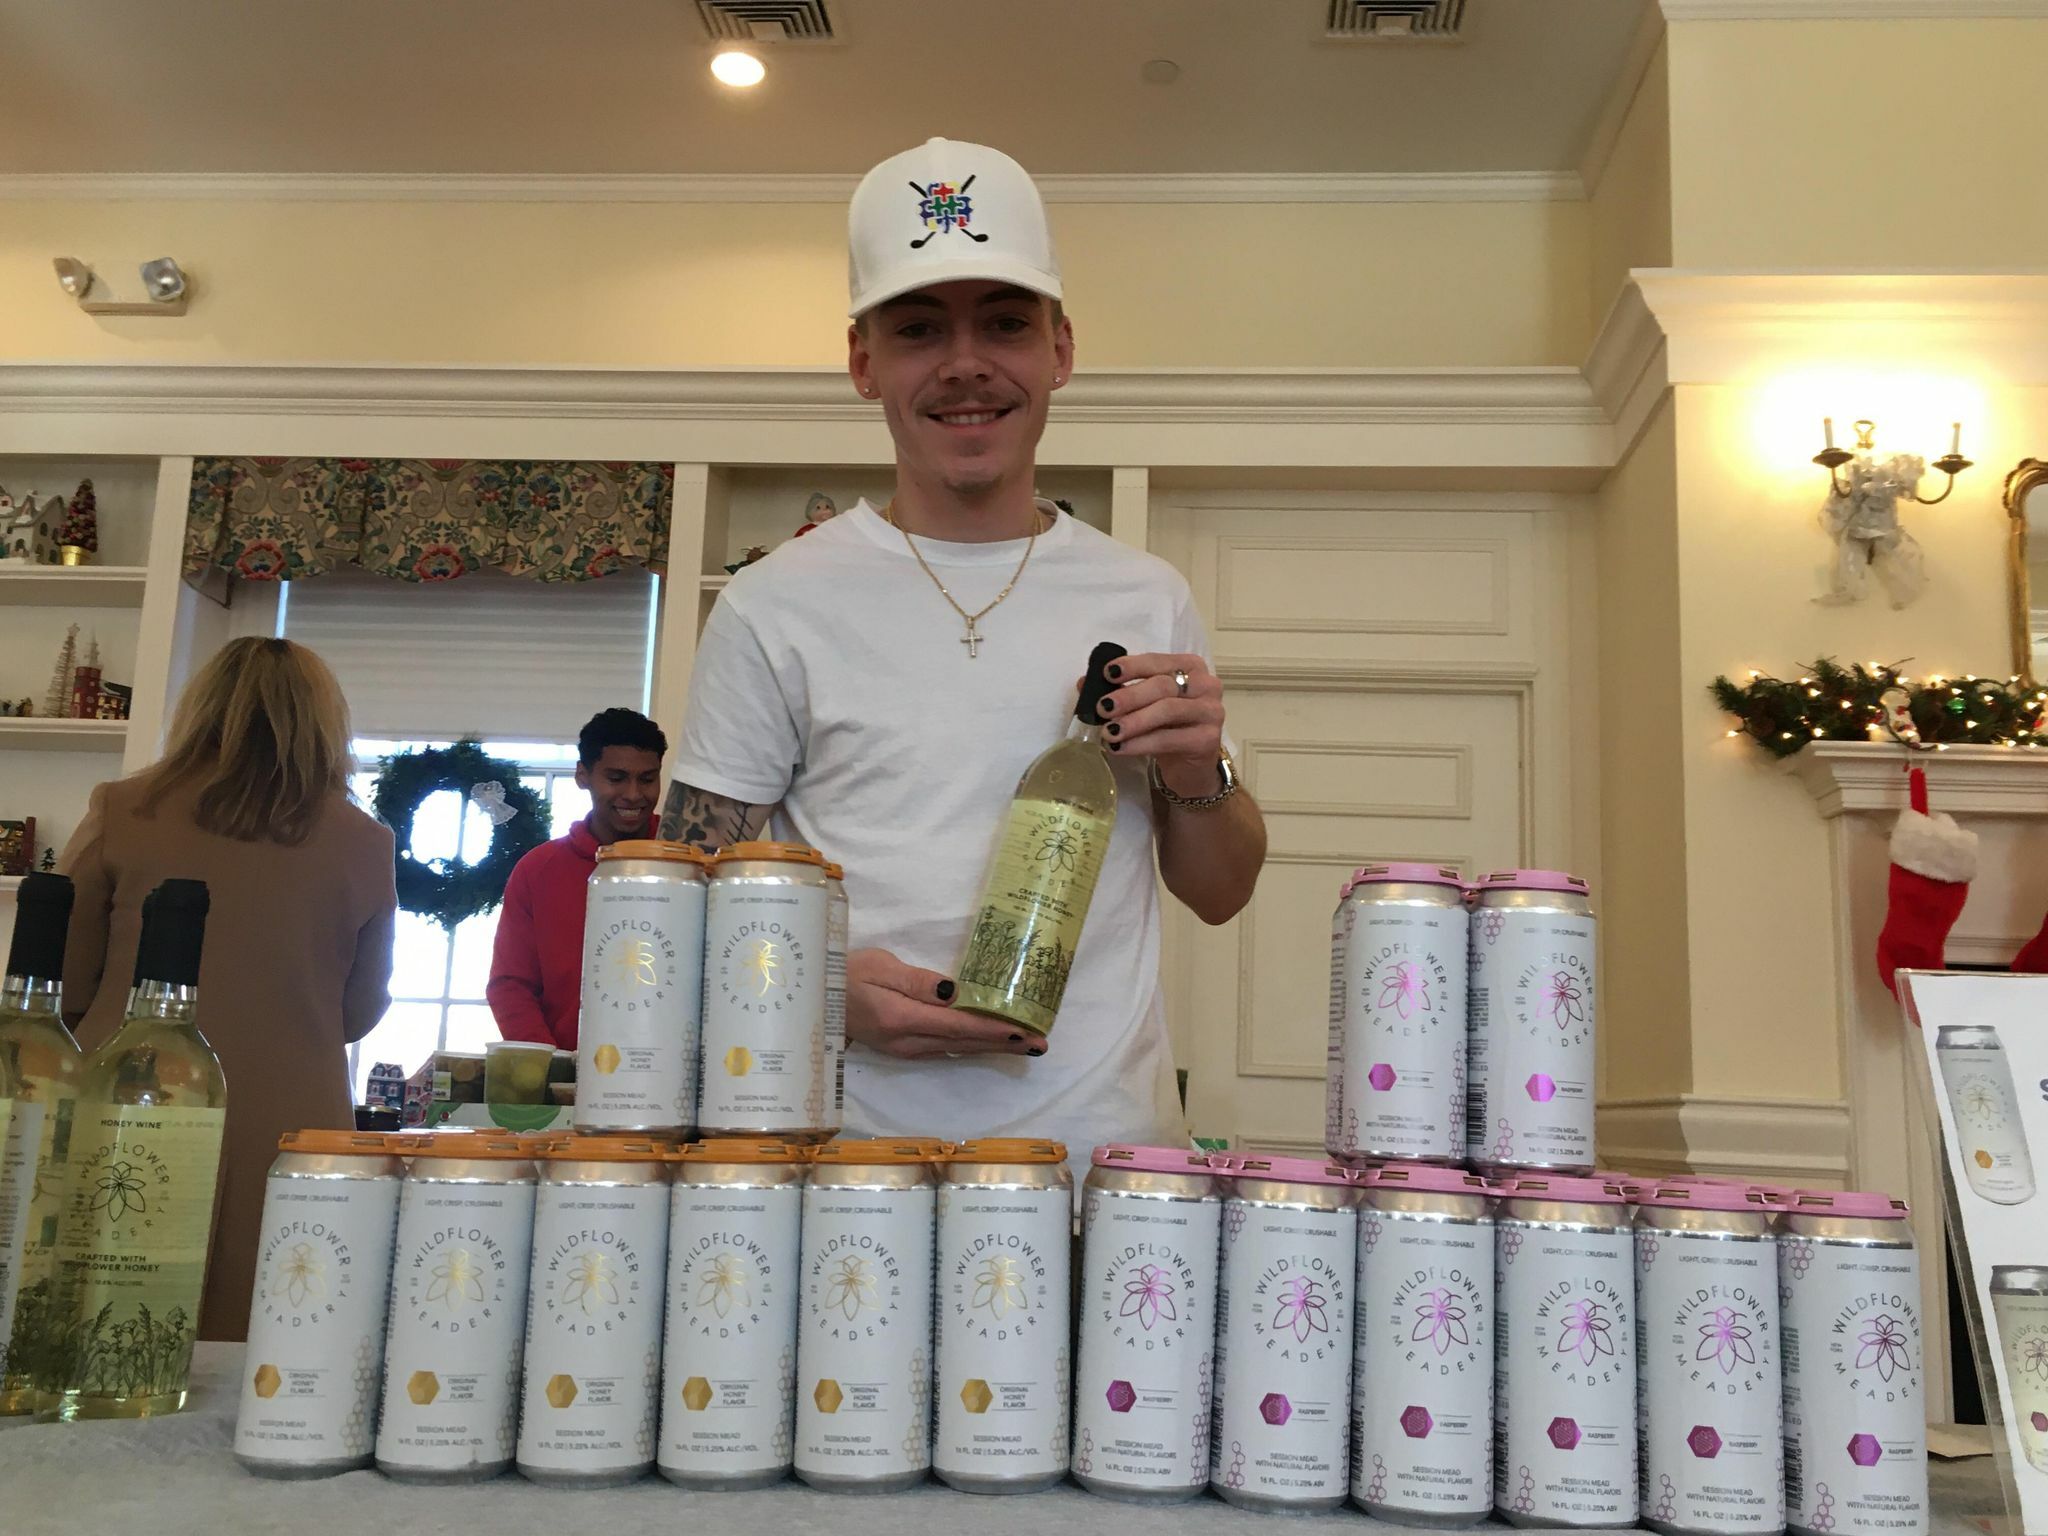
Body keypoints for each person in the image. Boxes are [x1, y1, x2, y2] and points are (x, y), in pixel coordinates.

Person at [661, 138, 1267, 1183]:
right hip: (843, 1174)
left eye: (1003, 321)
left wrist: (1192, 770)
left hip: (1095, 1171)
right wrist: (812, 989)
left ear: (1060, 350)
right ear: (862, 363)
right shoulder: (774, 604)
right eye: (916, 329)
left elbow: (1217, 893)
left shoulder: (1145, 595)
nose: (964, 363)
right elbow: (673, 910)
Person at [58, 637, 396, 1341]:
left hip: (130, 1094)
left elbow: (60, 975)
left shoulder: (125, 808)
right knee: (271, 1329)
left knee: (96, 1325)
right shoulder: (363, 841)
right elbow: (360, 1009)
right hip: (292, 1114)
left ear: (201, 709)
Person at [486, 707, 665, 1050]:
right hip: (565, 1080)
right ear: (583, 775)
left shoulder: (688, 866)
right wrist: (550, 1067)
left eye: (647, 779)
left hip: (673, 1077)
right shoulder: (538, 870)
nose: (633, 794)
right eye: (616, 778)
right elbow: (511, 985)